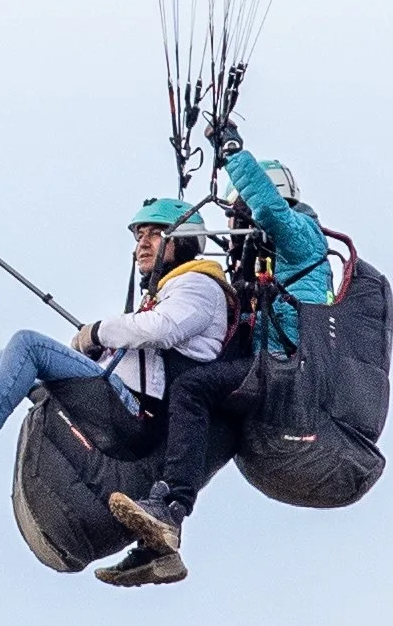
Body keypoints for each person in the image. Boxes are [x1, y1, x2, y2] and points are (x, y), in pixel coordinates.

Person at [0, 200, 232, 580]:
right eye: (139, 236)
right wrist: (102, 351)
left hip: (136, 412)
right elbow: (148, 338)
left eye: (154, 234)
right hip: (123, 399)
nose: (142, 245)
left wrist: (98, 332)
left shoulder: (199, 284)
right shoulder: (170, 288)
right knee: (6, 358)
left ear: (184, 241)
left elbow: (162, 328)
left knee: (28, 345)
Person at [103, 146, 333, 575]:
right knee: (201, 406)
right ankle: (163, 545)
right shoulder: (257, 266)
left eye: (237, 215)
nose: (233, 226)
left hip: (288, 366)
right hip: (267, 368)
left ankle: (170, 505)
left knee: (193, 389)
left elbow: (270, 210)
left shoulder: (301, 236)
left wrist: (230, 148)